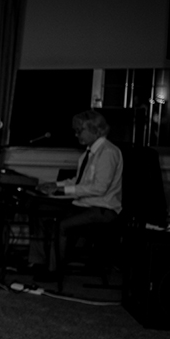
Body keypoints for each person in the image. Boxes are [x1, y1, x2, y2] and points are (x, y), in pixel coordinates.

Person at [30, 110, 123, 278]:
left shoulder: (108, 153)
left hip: (102, 209)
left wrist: (62, 190)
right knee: (41, 211)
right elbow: (80, 182)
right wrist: (55, 185)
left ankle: (54, 271)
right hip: (84, 204)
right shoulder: (88, 154)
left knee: (62, 226)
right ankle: (39, 262)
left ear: (96, 130)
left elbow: (99, 188)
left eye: (80, 130)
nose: (76, 134)